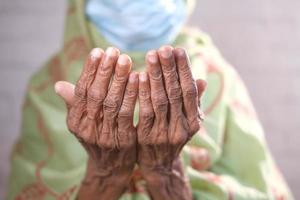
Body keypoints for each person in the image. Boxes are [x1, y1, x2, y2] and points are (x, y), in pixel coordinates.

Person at [6, 0, 294, 199]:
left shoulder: (217, 76)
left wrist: (165, 173)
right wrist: (108, 174)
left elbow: (256, 188)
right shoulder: (48, 86)